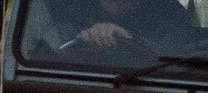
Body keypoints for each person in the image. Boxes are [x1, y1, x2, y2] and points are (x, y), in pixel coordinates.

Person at [23, 0, 196, 58]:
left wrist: (130, 39)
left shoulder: (168, 12)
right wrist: (77, 38)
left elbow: (180, 56)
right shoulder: (60, 7)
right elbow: (33, 52)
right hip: (70, 91)